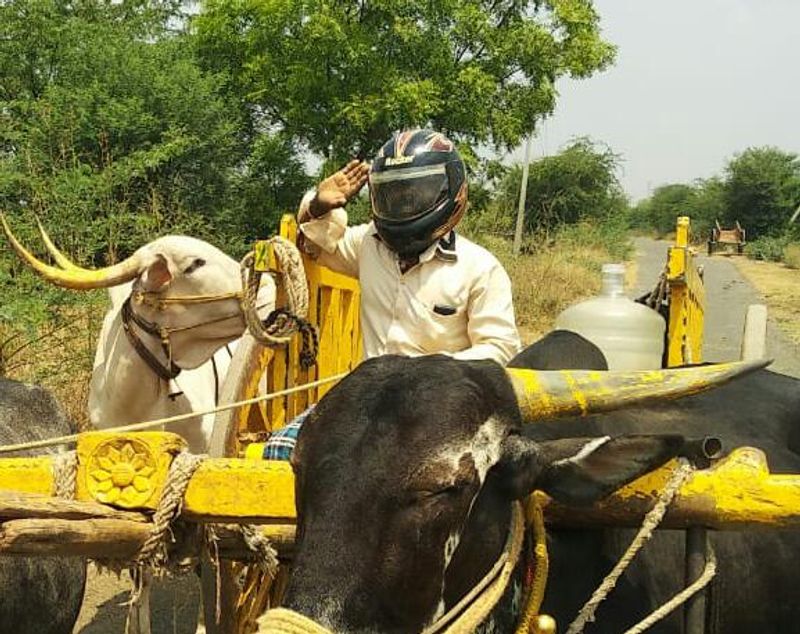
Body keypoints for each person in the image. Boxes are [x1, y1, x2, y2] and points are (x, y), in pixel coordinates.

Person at [263, 128, 520, 458]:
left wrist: (427, 373)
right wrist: (318, 203)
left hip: (442, 407)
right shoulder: (367, 244)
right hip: (368, 401)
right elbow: (312, 246)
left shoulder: (480, 267)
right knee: (281, 450)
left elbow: (500, 350)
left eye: (414, 195)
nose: (403, 205)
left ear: (451, 190)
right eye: (394, 195)